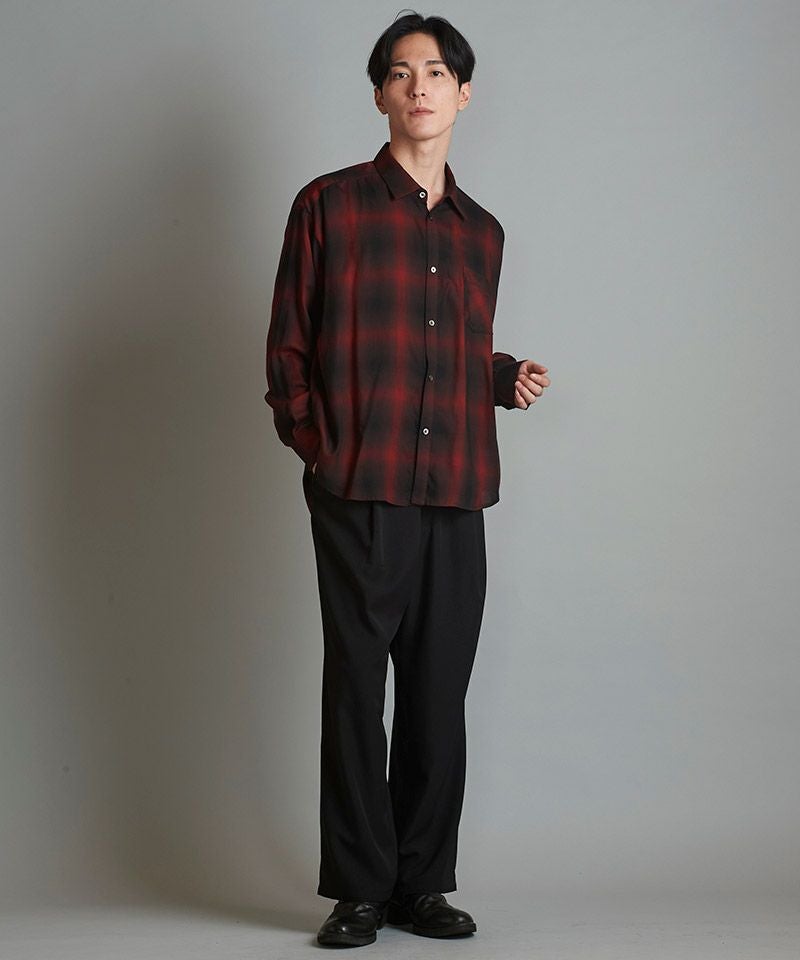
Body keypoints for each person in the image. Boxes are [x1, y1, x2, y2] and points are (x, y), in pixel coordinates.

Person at [265, 11, 550, 949]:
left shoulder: (482, 232)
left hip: (456, 488)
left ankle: (421, 884)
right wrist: (322, 450)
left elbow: (451, 347)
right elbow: (289, 348)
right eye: (399, 72)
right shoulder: (328, 205)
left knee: (438, 693)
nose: (418, 86)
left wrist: (500, 376)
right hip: (360, 487)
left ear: (463, 94)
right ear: (381, 95)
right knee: (356, 692)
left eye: (435, 72)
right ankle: (358, 888)